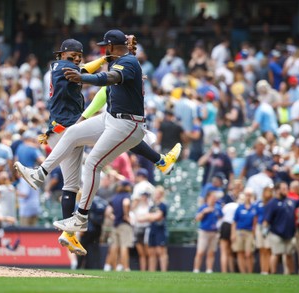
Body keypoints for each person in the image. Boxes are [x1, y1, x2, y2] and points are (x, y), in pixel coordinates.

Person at [14, 29, 181, 234]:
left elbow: (110, 77)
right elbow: (108, 79)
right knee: (73, 132)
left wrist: (84, 78)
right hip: (111, 117)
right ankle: (40, 174)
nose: (103, 50)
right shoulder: (121, 59)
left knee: (92, 164)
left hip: (128, 123)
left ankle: (80, 217)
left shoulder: (127, 62)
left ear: (110, 47)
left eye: (105, 47)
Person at [263, 181, 297, 274]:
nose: (286, 191)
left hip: (289, 233)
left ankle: (291, 274)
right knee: (276, 253)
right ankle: (273, 273)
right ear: (277, 190)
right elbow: (266, 220)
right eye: (283, 189)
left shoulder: (290, 201)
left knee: (289, 254)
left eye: (286, 188)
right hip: (276, 233)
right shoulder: (272, 203)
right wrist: (264, 231)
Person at [193, 190, 223, 273]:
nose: (214, 199)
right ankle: (196, 269)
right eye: (213, 197)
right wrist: (204, 212)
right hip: (204, 232)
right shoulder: (203, 207)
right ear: (208, 197)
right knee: (200, 251)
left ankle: (209, 269)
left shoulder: (218, 207)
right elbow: (196, 219)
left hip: (214, 232)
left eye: (215, 197)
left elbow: (221, 218)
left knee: (211, 252)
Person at [231, 188, 256, 273]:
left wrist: (254, 233)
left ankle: (249, 272)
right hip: (240, 231)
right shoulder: (239, 207)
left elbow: (255, 221)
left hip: (249, 232)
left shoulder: (254, 208)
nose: (248, 197)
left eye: (249, 195)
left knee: (248, 253)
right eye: (246, 195)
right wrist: (233, 234)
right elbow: (234, 222)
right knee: (240, 252)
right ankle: (242, 272)